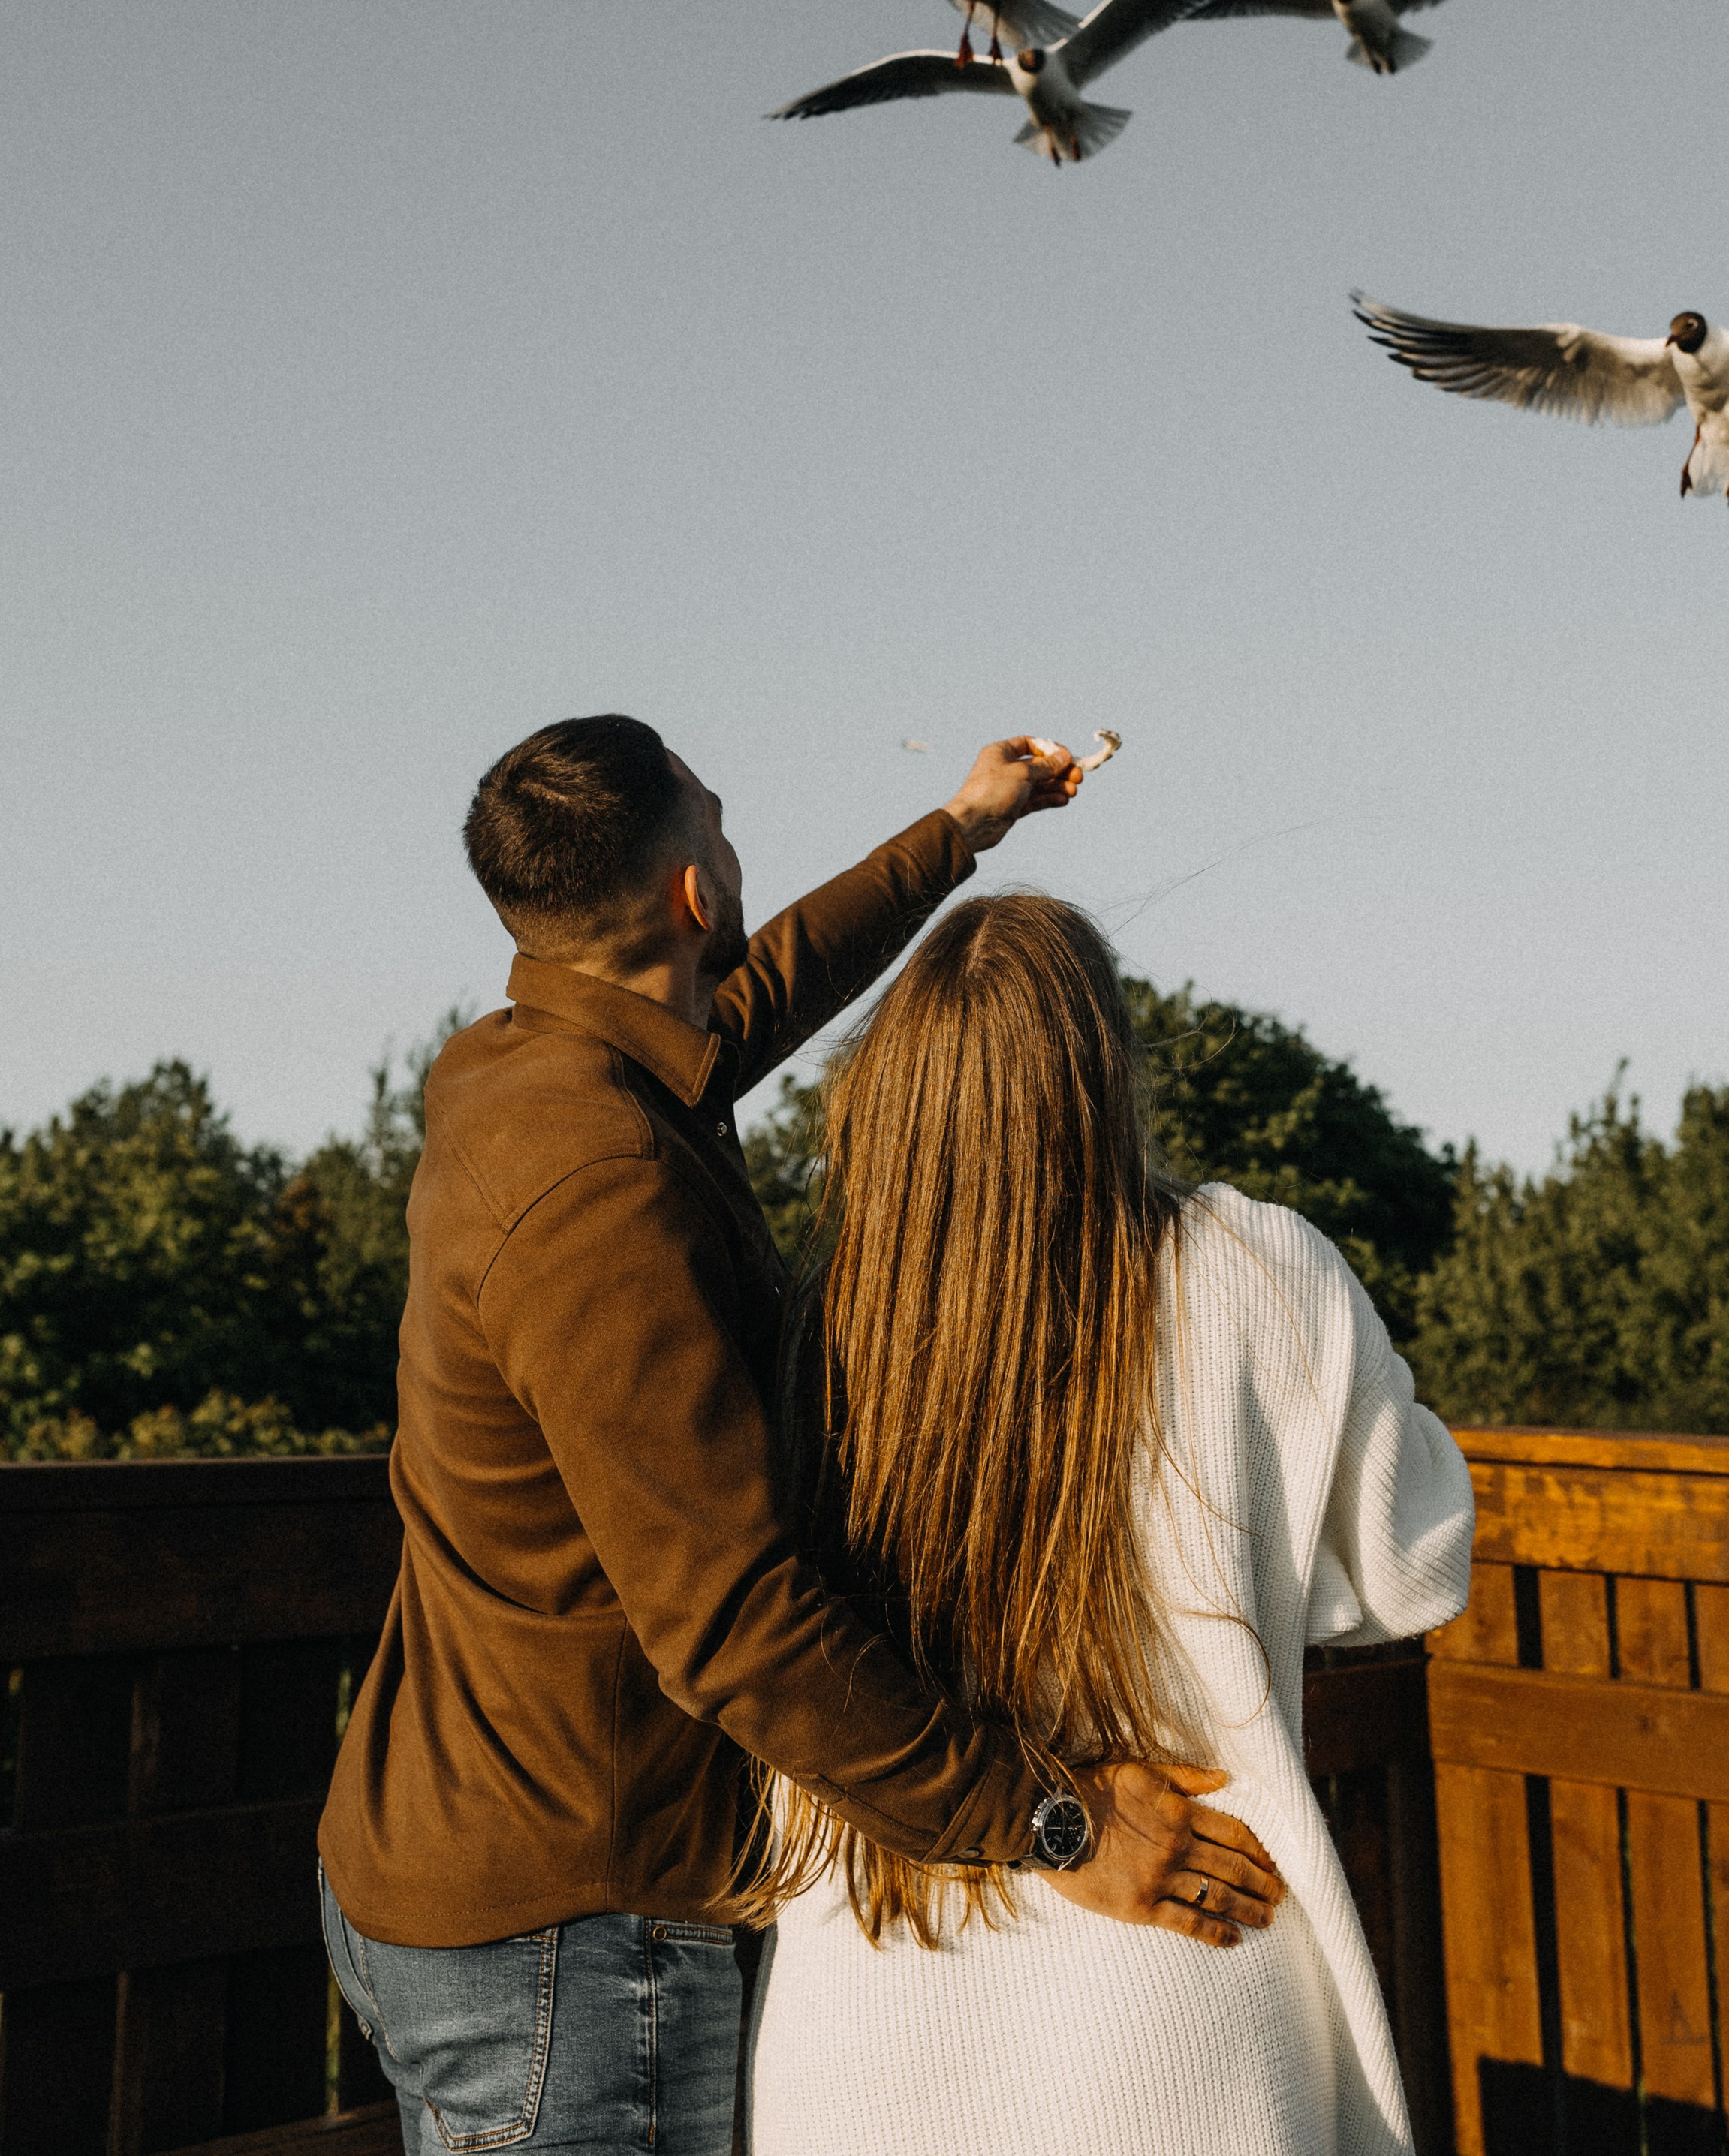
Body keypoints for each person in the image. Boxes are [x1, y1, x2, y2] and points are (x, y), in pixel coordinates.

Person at [318, 717, 1283, 2156]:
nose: (733, 842)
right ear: (692, 893)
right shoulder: (601, 1192)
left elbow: (753, 995)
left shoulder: (521, 1068)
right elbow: (734, 1623)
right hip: (575, 1945)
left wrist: (964, 829)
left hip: (456, 1866)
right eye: (720, 821)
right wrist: (1052, 1822)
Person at [746, 890, 1476, 2156]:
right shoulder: (1258, 1264)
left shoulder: (816, 1329)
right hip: (1186, 1985)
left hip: (870, 2013)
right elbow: (1411, 1573)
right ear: (1106, 1075)